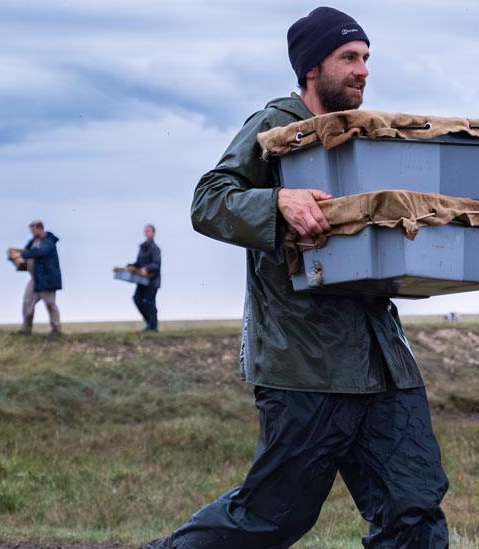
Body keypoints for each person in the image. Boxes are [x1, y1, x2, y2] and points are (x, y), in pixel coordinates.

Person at [147, 7, 448, 548]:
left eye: (365, 59)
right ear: (313, 69)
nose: (362, 70)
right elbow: (209, 201)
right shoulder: (275, 125)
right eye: (348, 58)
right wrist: (277, 200)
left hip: (383, 362)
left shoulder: (364, 138)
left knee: (414, 509)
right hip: (304, 361)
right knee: (274, 516)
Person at [12, 220, 62, 338]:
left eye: (33, 230)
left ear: (40, 229)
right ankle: (26, 330)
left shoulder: (49, 241)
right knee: (27, 303)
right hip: (35, 279)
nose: (32, 233)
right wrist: (15, 256)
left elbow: (40, 252)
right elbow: (27, 251)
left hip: (47, 279)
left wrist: (21, 255)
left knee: (50, 304)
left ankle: (56, 330)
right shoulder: (33, 241)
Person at [130, 224, 161, 332]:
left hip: (152, 281)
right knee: (137, 299)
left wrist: (147, 269)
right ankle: (150, 323)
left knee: (150, 303)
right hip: (141, 280)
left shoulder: (155, 248)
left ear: (153, 233)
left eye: (149, 230)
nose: (147, 232)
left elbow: (156, 264)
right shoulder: (142, 247)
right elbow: (139, 263)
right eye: (146, 231)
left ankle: (153, 327)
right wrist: (131, 266)